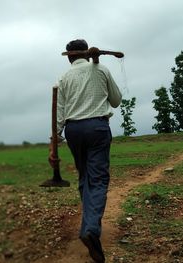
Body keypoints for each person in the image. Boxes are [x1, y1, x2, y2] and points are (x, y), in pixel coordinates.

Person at [49, 39, 122, 262]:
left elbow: (59, 114)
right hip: (97, 127)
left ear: (69, 57)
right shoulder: (101, 70)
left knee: (85, 177)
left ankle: (88, 224)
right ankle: (90, 229)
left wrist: (55, 144)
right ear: (87, 55)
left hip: (73, 131)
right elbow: (116, 101)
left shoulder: (63, 78)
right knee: (98, 179)